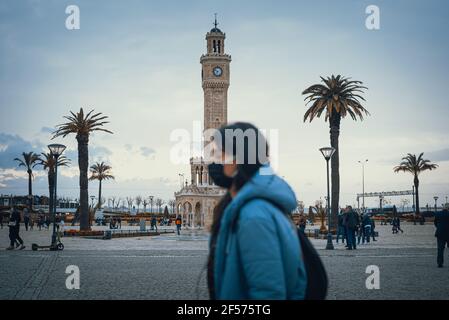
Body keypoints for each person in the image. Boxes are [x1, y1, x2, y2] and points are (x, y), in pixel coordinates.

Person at [207, 122, 307, 300]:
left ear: (238, 159)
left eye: (217, 153)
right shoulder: (247, 207)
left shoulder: (254, 217)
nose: (211, 160)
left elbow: (268, 293)